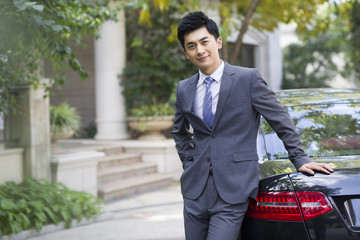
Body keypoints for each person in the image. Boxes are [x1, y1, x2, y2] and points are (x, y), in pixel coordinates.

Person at [171, 11, 334, 240]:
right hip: (195, 193)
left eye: (204, 41)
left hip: (233, 190)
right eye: (191, 46)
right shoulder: (184, 88)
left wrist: (300, 158)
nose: (200, 50)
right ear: (186, 53)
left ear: (217, 42)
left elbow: (280, 119)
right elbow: (179, 132)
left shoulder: (248, 79)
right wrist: (190, 164)